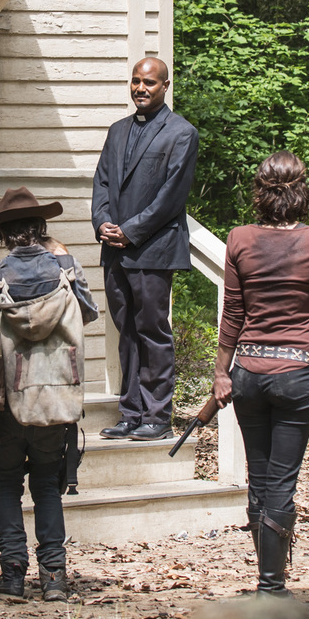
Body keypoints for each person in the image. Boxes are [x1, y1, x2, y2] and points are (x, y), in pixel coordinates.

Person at [204, 153, 309, 596]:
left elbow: (233, 312)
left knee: (259, 474)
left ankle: (266, 579)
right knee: (282, 482)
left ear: (260, 191)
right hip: (296, 374)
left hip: (247, 370)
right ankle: (272, 587)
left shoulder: (239, 239)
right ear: (302, 190)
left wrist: (220, 373)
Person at [0, 188, 100, 603]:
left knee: (7, 481)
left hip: (9, 394)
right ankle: (54, 577)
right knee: (47, 482)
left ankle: (11, 575)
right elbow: (90, 312)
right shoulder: (65, 265)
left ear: (4, 234)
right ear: (40, 228)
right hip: (57, 394)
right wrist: (63, 261)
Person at [90, 57, 201, 442]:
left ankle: (157, 415)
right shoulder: (117, 131)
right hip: (115, 250)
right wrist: (102, 222)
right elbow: (102, 181)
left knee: (152, 331)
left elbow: (171, 197)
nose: (140, 88)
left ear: (165, 86)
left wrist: (131, 231)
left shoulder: (181, 133)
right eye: (135, 81)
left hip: (153, 249)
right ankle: (130, 412)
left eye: (149, 82)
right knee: (126, 332)